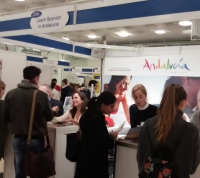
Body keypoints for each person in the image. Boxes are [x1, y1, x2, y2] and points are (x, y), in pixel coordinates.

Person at [0, 66, 54, 178]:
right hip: (36, 139)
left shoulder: (11, 94)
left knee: (19, 172)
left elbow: (5, 116)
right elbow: (49, 116)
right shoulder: (40, 95)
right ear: (35, 78)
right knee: (36, 171)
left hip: (18, 138)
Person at [137, 84, 200, 178]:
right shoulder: (192, 131)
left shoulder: (148, 124)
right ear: (183, 102)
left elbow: (141, 158)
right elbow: (192, 168)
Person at [75, 91, 118, 178]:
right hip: (96, 165)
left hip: (84, 161)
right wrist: (112, 137)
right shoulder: (98, 120)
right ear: (103, 105)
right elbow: (101, 144)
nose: (112, 109)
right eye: (111, 106)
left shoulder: (87, 115)